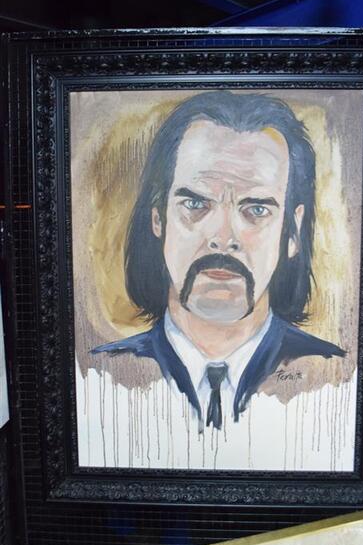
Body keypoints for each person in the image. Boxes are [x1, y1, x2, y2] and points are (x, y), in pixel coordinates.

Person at [92, 91, 345, 431]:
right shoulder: (101, 378)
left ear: (293, 233)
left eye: (257, 209)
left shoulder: (333, 378)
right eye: (195, 205)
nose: (223, 237)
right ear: (158, 219)